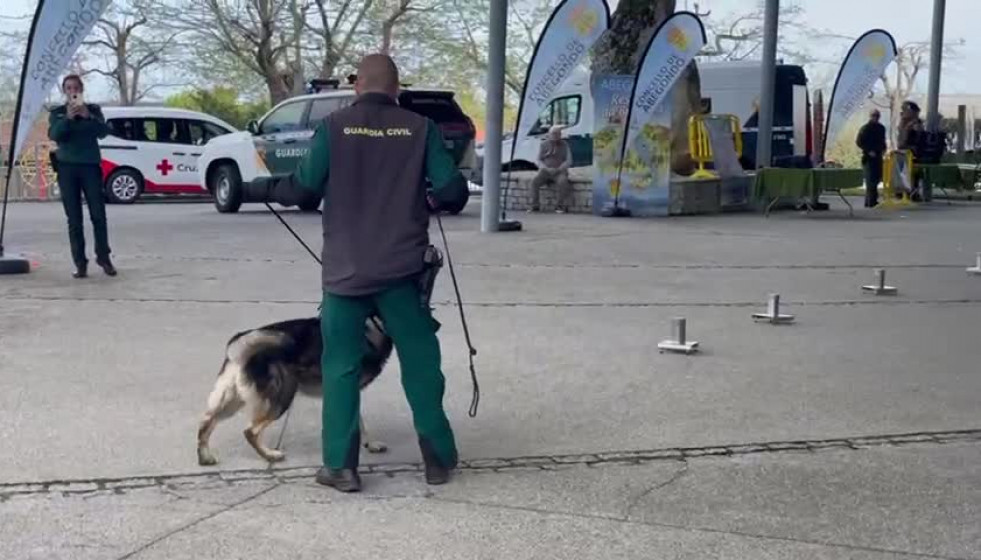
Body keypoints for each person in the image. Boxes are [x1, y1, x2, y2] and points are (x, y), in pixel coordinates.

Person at [247, 54, 469, 493]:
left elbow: (304, 189)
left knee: (341, 366)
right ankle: (438, 459)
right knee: (421, 362)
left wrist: (260, 188)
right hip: (403, 273)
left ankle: (340, 468)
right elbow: (452, 192)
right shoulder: (420, 128)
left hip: (345, 276)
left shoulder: (334, 127)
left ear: (356, 87)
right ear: (397, 89)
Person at [48, 74, 116, 278]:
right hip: (67, 168)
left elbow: (104, 132)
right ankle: (80, 263)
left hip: (89, 166)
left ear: (81, 89)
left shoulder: (93, 111)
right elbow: (54, 135)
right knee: (74, 219)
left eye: (76, 88)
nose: (72, 92)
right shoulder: (58, 113)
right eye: (68, 88)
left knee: (98, 215)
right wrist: (68, 119)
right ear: (64, 91)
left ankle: (103, 257)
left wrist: (88, 117)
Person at [530, 125, 573, 213]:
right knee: (534, 182)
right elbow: (538, 159)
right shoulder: (543, 144)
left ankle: (559, 206)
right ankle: (535, 206)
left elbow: (569, 160)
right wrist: (546, 168)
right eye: (553, 134)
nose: (555, 136)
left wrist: (560, 168)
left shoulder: (564, 144)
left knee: (563, 182)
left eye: (558, 134)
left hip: (559, 171)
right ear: (549, 134)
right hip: (546, 171)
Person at [855, 109, 887, 208]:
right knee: (870, 180)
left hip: (878, 156)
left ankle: (872, 200)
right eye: (874, 116)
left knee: (877, 178)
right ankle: (870, 201)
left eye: (877, 116)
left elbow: (882, 140)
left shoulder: (881, 128)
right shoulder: (865, 128)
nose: (875, 118)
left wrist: (884, 149)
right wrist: (868, 150)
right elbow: (859, 142)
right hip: (868, 157)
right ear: (870, 116)